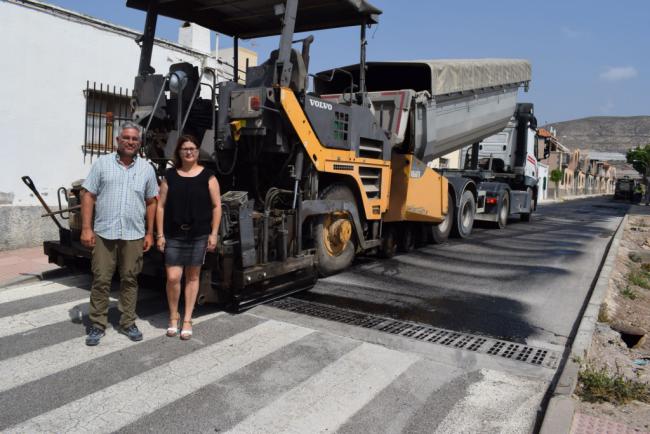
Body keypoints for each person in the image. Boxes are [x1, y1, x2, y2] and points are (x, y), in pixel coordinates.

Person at [81, 122, 159, 346]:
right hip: (105, 233)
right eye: (126, 138)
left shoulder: (146, 169)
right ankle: (97, 325)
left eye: (134, 139)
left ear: (140, 142)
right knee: (101, 279)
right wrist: (86, 228)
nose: (130, 142)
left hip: (133, 234)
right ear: (117, 140)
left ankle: (127, 322)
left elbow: (152, 202)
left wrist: (150, 233)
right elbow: (88, 195)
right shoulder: (102, 164)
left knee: (130, 279)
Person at [156, 135, 221, 340]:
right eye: (185, 148)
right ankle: (173, 316)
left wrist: (213, 234)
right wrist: (160, 234)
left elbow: (217, 206)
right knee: (173, 277)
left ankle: (187, 319)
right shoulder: (170, 176)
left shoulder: (208, 176)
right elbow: (160, 206)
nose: (189, 152)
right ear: (179, 152)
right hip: (174, 233)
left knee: (193, 277)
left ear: (198, 151)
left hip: (198, 234)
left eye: (192, 148)